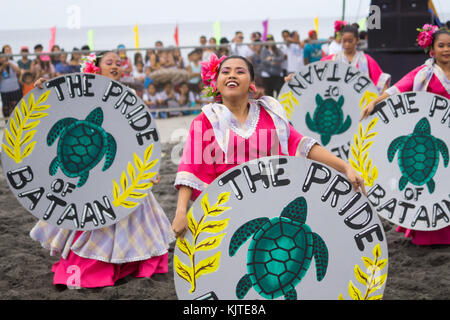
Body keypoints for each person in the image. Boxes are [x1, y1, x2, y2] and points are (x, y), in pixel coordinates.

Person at [171, 55, 367, 238]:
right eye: (225, 71)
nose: (232, 75)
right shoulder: (206, 120)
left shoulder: (271, 115)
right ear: (216, 83)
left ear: (252, 84)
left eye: (240, 71)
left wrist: (345, 167)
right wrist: (181, 212)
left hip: (274, 208)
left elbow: (302, 144)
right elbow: (190, 166)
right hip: (228, 213)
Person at [31, 51, 174, 288]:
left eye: (119, 63)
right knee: (92, 219)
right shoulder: (81, 94)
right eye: (110, 63)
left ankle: (125, 267)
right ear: (96, 68)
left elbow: (141, 135)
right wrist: (44, 90)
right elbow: (55, 108)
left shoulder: (128, 96)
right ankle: (88, 272)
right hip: (91, 180)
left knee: (134, 218)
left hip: (123, 172)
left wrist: (150, 167)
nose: (116, 66)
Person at [361, 26, 449, 246]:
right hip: (432, 140)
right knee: (435, 186)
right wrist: (374, 102)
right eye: (441, 45)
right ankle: (429, 235)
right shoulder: (423, 74)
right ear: (432, 49)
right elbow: (397, 90)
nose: (446, 49)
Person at [322, 25, 391, 94]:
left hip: (362, 101)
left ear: (357, 40)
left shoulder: (366, 60)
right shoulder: (332, 59)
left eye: (350, 41)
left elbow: (381, 81)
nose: (347, 44)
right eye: (344, 41)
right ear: (341, 39)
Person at [0, 45, 22, 118]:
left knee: (15, 106)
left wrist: (9, 63)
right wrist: (3, 66)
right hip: (4, 90)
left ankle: (16, 121)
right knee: (6, 108)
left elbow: (19, 72)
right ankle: (7, 121)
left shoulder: (12, 62)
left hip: (15, 89)